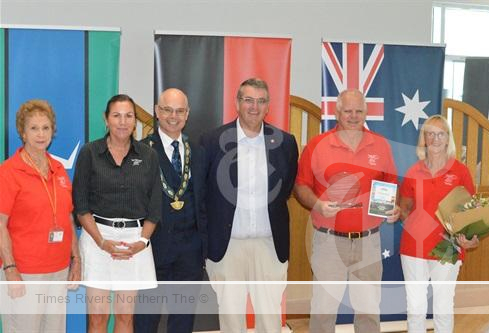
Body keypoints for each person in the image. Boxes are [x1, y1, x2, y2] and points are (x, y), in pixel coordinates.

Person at [294, 89, 400, 333]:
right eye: (348, 111)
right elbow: (300, 186)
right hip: (329, 242)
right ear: (337, 112)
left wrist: (392, 207)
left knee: (369, 311)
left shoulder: (381, 145)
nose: (353, 116)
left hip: (369, 241)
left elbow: (390, 184)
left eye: (359, 111)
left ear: (366, 112)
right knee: (323, 310)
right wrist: (318, 204)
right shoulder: (317, 144)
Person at [200, 78, 298, 333]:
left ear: (268, 106)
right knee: (231, 317)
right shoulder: (212, 141)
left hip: (269, 243)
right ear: (237, 103)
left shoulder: (285, 142)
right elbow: (202, 192)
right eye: (248, 100)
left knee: (270, 317)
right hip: (227, 244)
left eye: (261, 101)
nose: (254, 107)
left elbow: (285, 189)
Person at [72, 94, 161, 333]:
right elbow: (80, 205)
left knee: (125, 318)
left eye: (128, 116)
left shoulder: (148, 156)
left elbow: (155, 206)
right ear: (106, 119)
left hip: (135, 242)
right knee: (98, 320)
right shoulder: (90, 153)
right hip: (96, 238)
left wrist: (142, 241)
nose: (123, 122)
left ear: (135, 121)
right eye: (116, 116)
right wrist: (101, 241)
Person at [0, 99, 80, 333]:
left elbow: (68, 217)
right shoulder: (8, 172)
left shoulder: (58, 169)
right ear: (22, 133)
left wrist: (76, 259)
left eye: (45, 128)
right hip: (24, 272)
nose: (40, 134)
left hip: (58, 269)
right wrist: (10, 268)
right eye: (33, 128)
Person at [134, 88, 207, 333]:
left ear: (187, 114)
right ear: (156, 111)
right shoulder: (140, 152)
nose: (173, 117)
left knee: (183, 320)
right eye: (167, 110)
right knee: (146, 320)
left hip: (190, 252)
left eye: (179, 111)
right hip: (152, 249)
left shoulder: (198, 151)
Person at [399, 115, 479, 333]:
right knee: (415, 307)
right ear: (423, 138)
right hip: (413, 248)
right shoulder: (413, 171)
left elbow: (472, 213)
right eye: (430, 134)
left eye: (440, 134)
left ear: (448, 139)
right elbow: (404, 209)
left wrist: (470, 239)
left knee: (443, 306)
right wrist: (409, 221)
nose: (435, 139)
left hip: (448, 247)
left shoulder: (460, 172)